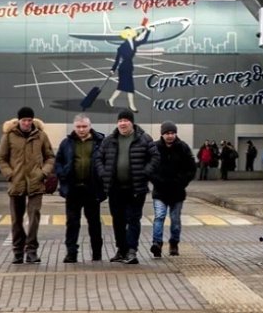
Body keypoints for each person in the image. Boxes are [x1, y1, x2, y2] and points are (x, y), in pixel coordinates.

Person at [95, 110, 157, 264]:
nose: (122, 123)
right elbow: (98, 158)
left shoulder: (144, 139)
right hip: (115, 188)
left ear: (132, 123)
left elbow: (155, 157)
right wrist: (103, 173)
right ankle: (121, 250)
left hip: (136, 188)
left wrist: (145, 173)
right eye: (120, 121)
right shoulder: (109, 140)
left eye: (126, 120)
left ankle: (131, 251)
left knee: (133, 219)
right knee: (118, 220)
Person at [0, 107, 55, 265]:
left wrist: (43, 173)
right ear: (19, 121)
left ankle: (31, 251)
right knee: (16, 220)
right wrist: (10, 174)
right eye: (24, 120)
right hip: (16, 184)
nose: (27, 123)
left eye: (29, 120)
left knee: (34, 217)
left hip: (36, 183)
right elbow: (1, 159)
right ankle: (18, 251)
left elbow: (50, 157)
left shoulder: (41, 136)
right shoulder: (9, 136)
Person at [54, 113, 105, 263]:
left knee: (94, 223)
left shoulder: (100, 142)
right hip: (73, 189)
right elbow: (58, 161)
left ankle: (97, 253)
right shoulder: (66, 143)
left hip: (92, 189)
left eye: (84, 126)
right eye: (78, 126)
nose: (81, 129)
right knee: (72, 223)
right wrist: (62, 174)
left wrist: (103, 178)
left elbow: (107, 160)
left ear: (90, 126)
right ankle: (71, 253)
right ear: (74, 127)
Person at [150, 121, 196, 258]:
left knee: (175, 219)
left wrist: (181, 182)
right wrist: (157, 181)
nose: (170, 136)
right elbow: (149, 168)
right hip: (160, 191)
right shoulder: (155, 148)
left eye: (172, 133)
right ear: (162, 134)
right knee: (159, 217)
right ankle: (157, 243)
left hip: (177, 192)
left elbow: (191, 168)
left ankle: (174, 243)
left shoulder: (183, 148)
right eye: (167, 133)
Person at [107, 26, 151, 112]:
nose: (129, 34)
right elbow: (117, 60)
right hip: (123, 69)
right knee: (128, 87)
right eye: (127, 33)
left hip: (129, 68)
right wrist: (112, 70)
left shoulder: (134, 43)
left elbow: (144, 40)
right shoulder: (122, 47)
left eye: (130, 32)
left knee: (122, 87)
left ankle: (111, 100)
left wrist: (147, 31)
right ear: (125, 35)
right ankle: (131, 106)